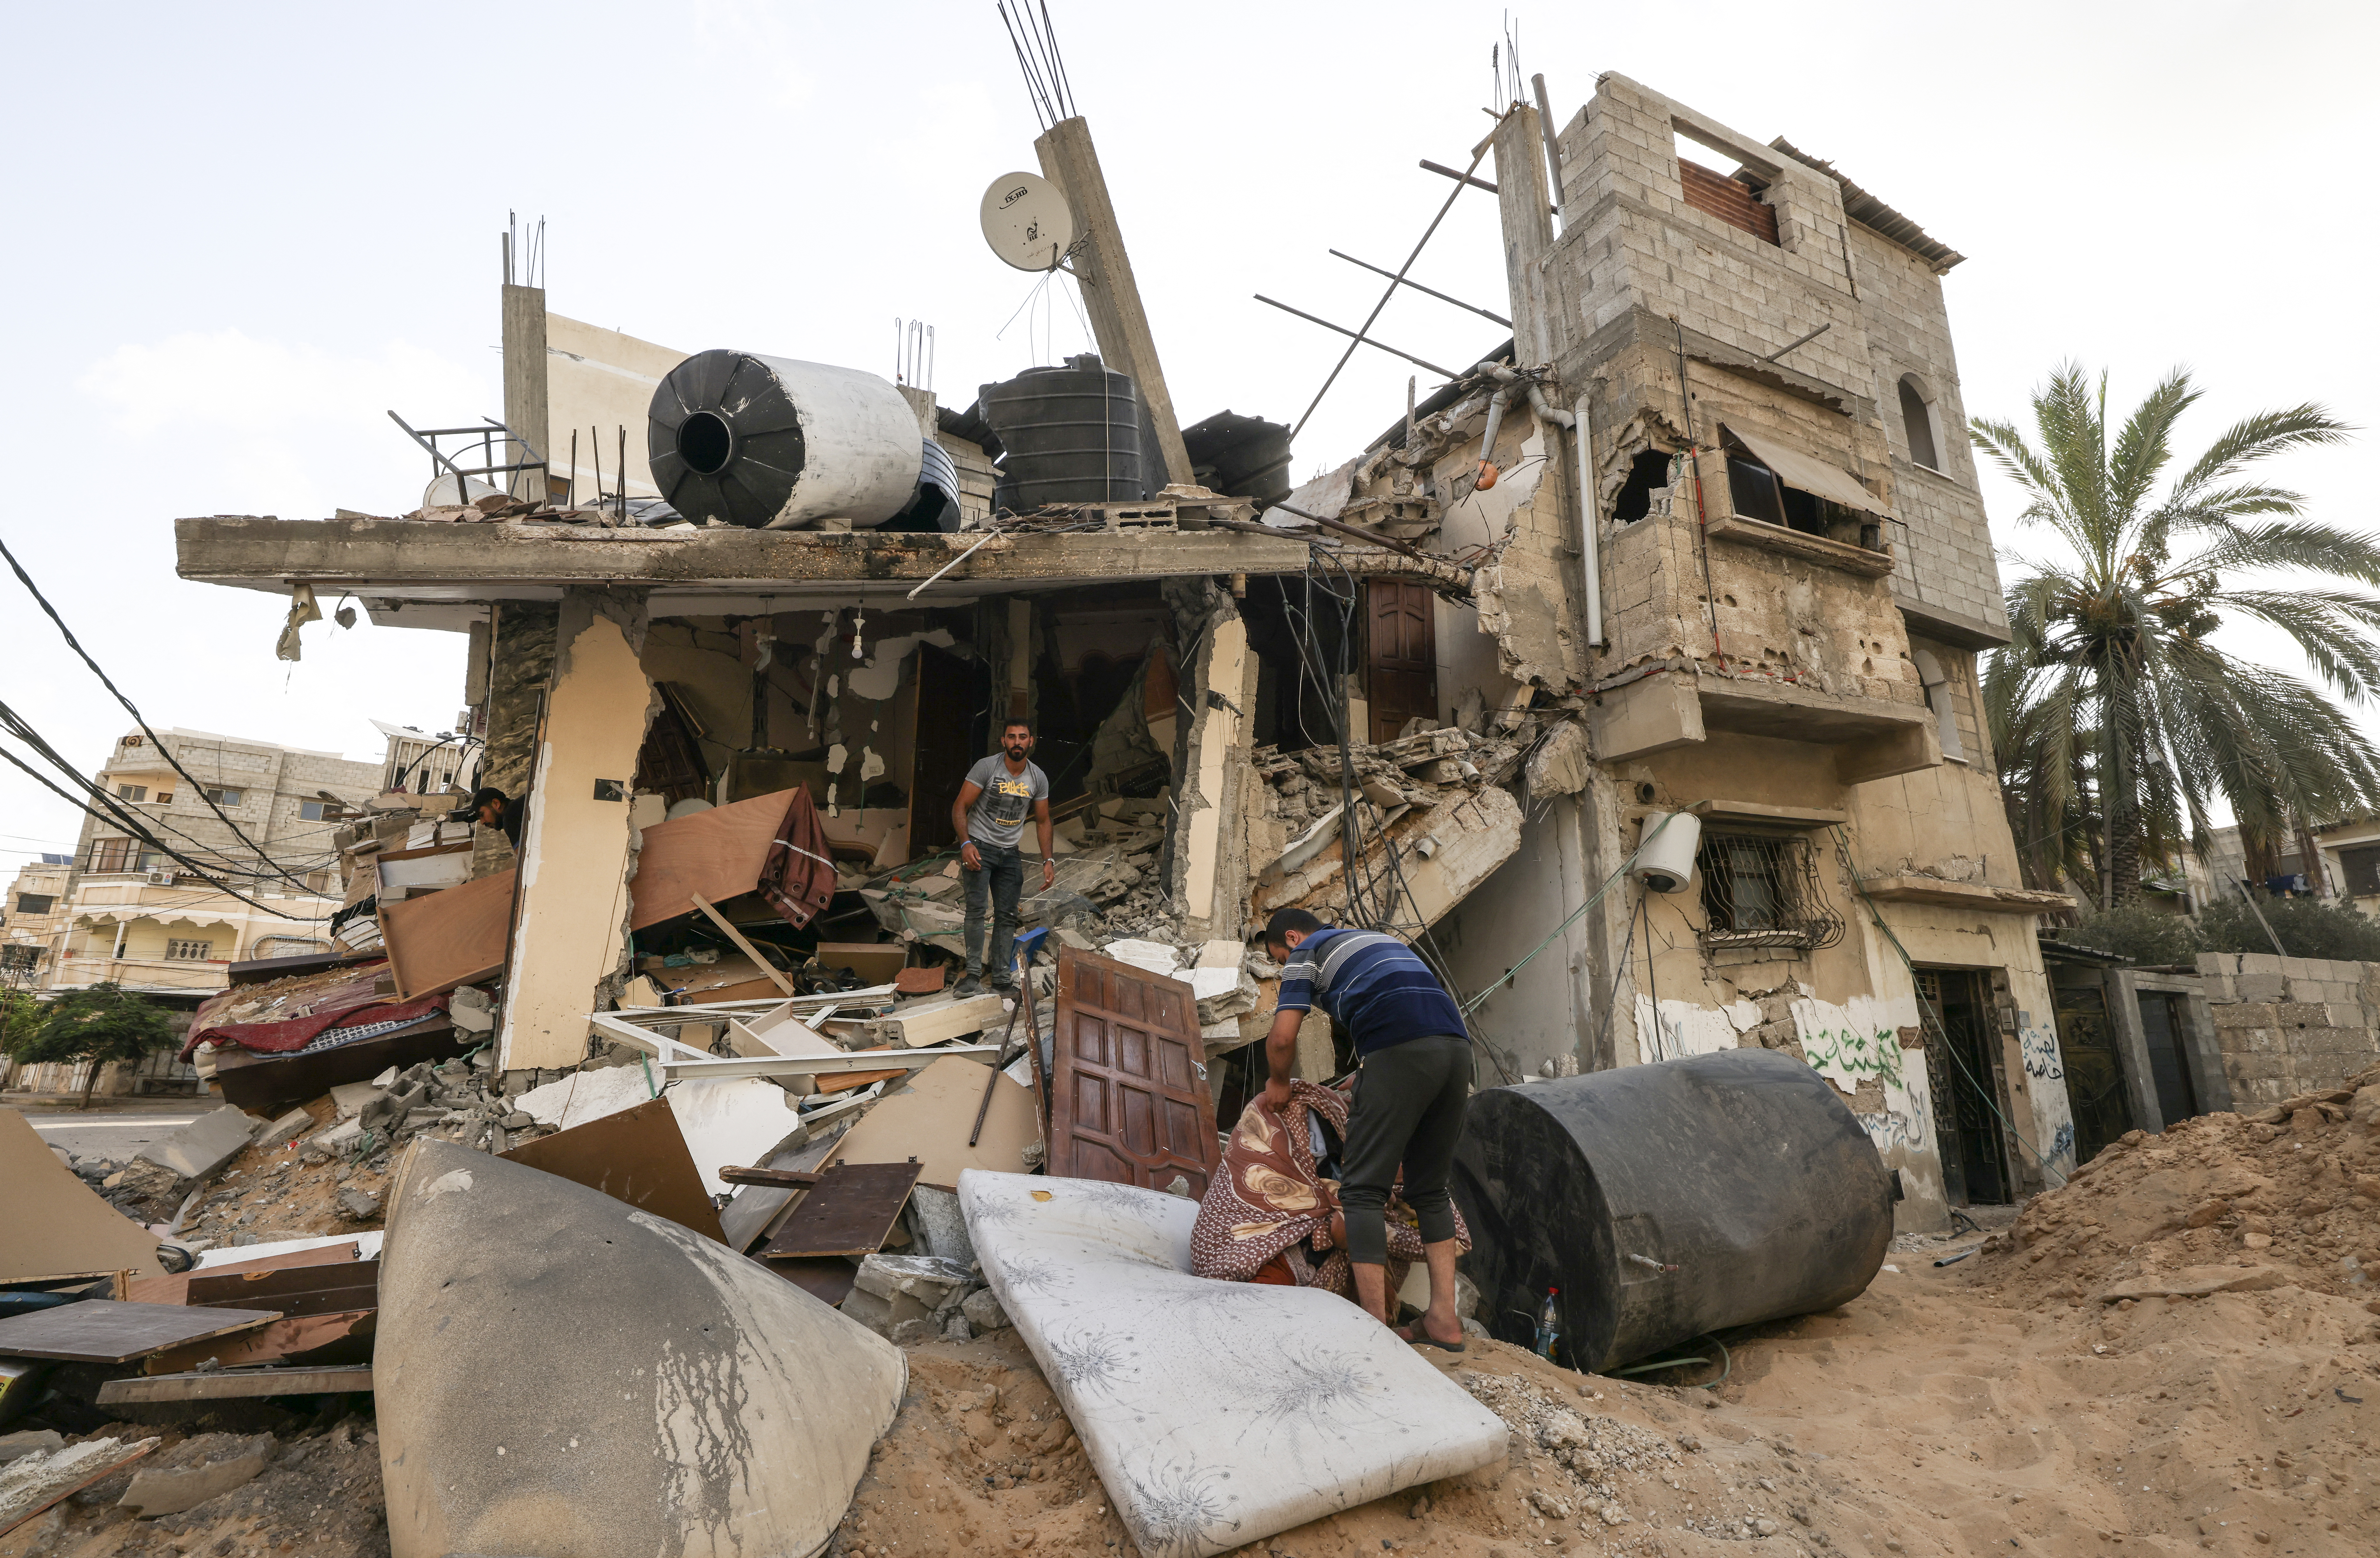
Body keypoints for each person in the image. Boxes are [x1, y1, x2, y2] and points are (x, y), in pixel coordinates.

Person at [1261, 906, 1472, 1351]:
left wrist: (1279, 1081)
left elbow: (1282, 1037)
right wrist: (1373, 1069)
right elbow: (1411, 1013)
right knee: (1429, 1190)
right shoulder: (1378, 941)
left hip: (1400, 1051)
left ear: (1293, 938)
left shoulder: (1307, 953)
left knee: (1360, 1192)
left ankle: (1374, 1327)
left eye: (1279, 958)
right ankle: (1443, 1320)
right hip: (1454, 1050)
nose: (1285, 967)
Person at [950, 718, 1054, 996]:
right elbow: (961, 806)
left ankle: (1000, 980)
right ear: (1004, 741)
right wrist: (965, 843)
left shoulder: (1037, 777)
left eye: (1023, 737)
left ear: (1031, 741)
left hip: (1010, 854)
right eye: (1012, 737)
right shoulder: (987, 767)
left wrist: (1048, 861)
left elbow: (1043, 821)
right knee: (976, 910)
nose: (1017, 742)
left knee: (1007, 916)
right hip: (980, 847)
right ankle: (971, 977)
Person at [467, 786, 525, 851]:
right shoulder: (519, 806)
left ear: (496, 804)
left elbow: (525, 858)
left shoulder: (510, 817)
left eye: (482, 815)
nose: (482, 822)